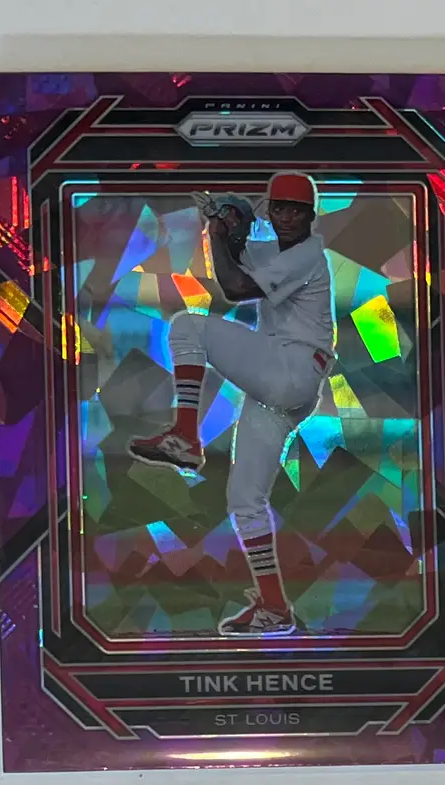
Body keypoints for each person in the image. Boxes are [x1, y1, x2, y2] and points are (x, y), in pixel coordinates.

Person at [128, 172, 336, 636]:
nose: (287, 216)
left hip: (292, 368)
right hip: (283, 389)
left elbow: (236, 286)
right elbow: (241, 253)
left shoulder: (307, 254)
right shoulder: (277, 250)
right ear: (271, 211)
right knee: (245, 501)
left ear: (310, 215)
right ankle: (275, 606)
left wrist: (221, 232)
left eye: (296, 209)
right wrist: (225, 221)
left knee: (188, 327)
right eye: (279, 208)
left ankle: (185, 436)